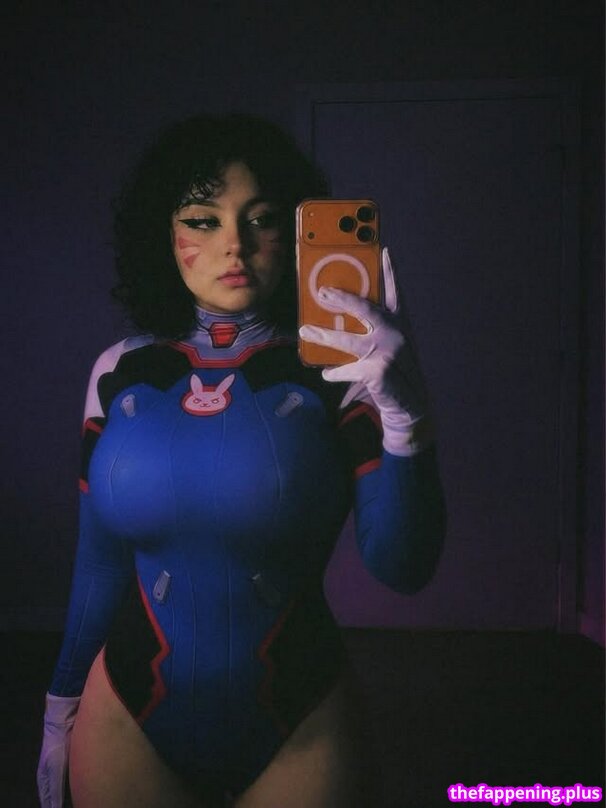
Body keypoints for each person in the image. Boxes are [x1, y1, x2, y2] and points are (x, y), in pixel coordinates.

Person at [36, 114, 446, 808]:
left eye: (261, 219)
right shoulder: (119, 372)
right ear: (162, 234)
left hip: (300, 726)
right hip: (124, 722)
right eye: (202, 220)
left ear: (293, 232)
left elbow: (403, 568)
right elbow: (99, 564)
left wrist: (409, 418)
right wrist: (58, 709)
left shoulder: (344, 372)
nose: (234, 244)